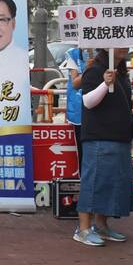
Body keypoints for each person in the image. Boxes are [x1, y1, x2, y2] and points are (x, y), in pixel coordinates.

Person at [75, 48, 133, 246]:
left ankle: (102, 226)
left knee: (111, 182)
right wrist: (105, 84)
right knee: (94, 182)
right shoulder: (94, 70)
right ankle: (83, 228)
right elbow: (88, 102)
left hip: (119, 135)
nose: (125, 47)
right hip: (99, 135)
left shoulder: (121, 71)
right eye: (119, 43)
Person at [58, 44, 91, 175]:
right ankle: (84, 183)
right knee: (82, 149)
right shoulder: (73, 53)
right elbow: (75, 82)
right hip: (79, 108)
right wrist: (89, 68)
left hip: (99, 110)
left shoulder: (104, 52)